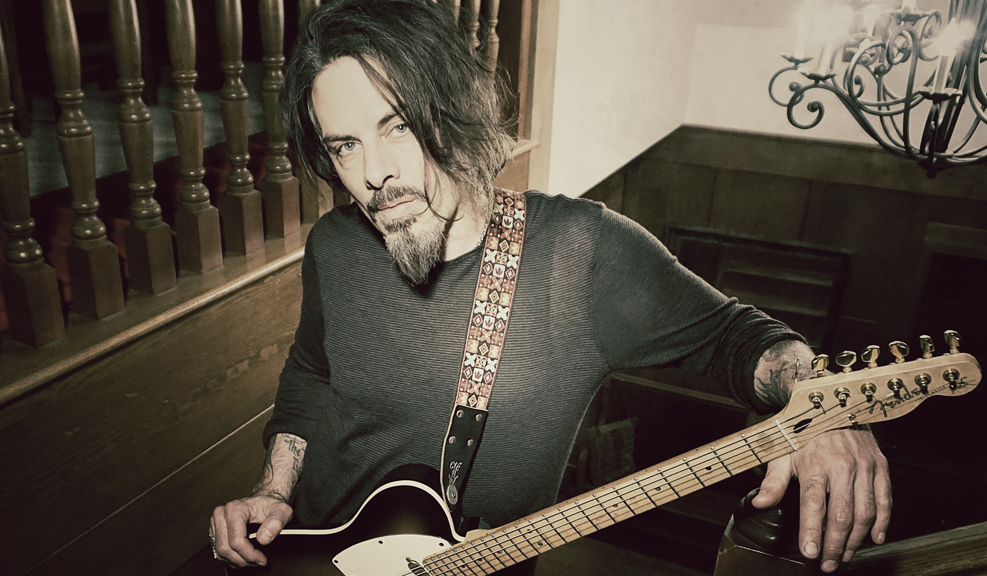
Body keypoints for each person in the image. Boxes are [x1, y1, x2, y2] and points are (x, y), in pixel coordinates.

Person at [209, 1, 891, 574]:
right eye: (344, 146)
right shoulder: (335, 244)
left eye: (399, 127)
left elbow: (740, 339)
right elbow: (311, 373)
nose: (372, 175)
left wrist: (829, 408)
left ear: (451, 110)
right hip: (314, 551)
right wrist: (274, 492)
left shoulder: (581, 252)